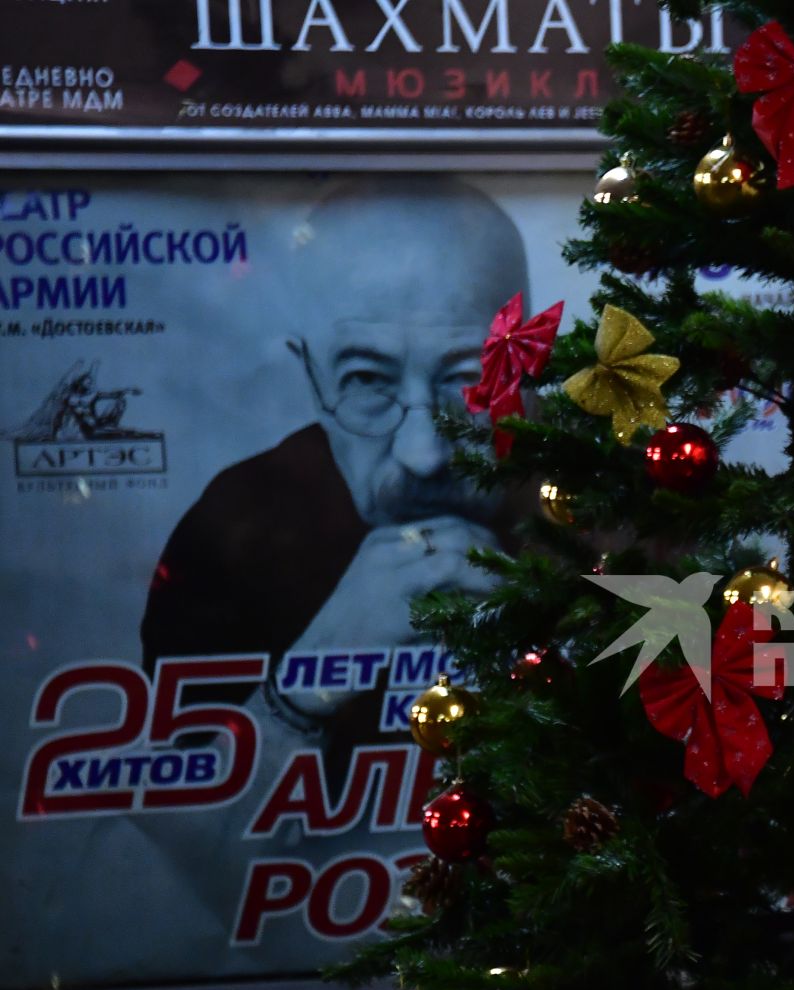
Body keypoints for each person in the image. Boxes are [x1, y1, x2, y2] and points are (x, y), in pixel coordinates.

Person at [140, 177, 519, 766]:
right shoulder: (235, 530)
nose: (424, 454)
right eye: (367, 380)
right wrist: (310, 681)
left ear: (528, 358)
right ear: (313, 380)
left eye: (468, 378)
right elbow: (159, 843)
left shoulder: (598, 502)